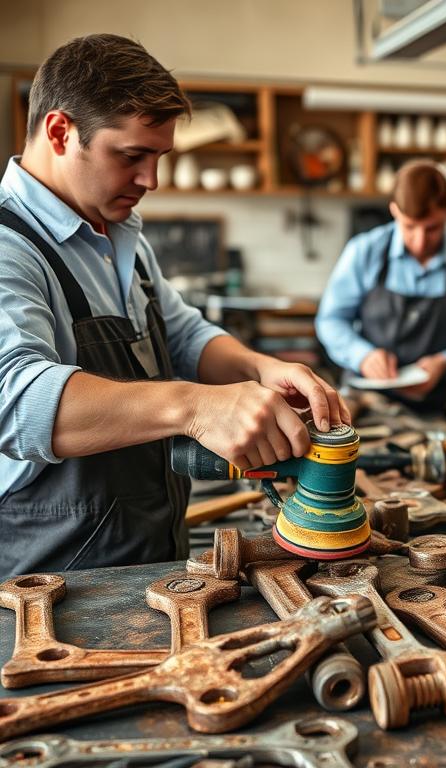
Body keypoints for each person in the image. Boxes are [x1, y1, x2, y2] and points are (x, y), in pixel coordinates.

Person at [0, 34, 349, 579]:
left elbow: (182, 335)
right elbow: (17, 401)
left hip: (150, 555)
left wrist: (262, 368)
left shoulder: (119, 235)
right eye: (132, 156)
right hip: (50, 578)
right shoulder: (9, 245)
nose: (151, 181)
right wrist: (196, 407)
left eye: (159, 157)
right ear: (61, 132)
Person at [316, 160, 446, 408]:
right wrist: (362, 356)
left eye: (432, 229)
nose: (419, 242)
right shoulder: (364, 252)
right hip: (366, 405)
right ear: (394, 210)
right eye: (409, 227)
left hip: (443, 405)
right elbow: (330, 320)